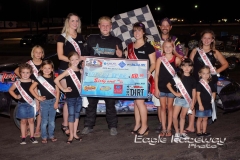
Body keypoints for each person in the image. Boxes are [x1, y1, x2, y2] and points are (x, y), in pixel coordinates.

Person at [81, 16, 123, 136]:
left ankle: (113, 126)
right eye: (102, 25)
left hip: (110, 79)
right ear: (99, 26)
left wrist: (121, 55)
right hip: (94, 78)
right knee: (91, 103)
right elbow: (84, 56)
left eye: (107, 25)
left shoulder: (117, 41)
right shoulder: (91, 39)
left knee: (110, 104)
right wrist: (83, 63)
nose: (105, 27)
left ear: (111, 26)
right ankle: (88, 125)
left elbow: (123, 63)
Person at [185, 29, 229, 133]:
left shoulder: (215, 52)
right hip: (196, 81)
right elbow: (189, 65)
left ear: (213, 40)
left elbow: (226, 64)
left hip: (209, 82)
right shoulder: (195, 50)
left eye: (209, 38)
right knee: (194, 102)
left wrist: (216, 71)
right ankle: (192, 125)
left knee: (206, 102)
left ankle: (203, 125)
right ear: (201, 39)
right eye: (204, 37)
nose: (206, 40)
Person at [151, 17, 185, 132]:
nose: (165, 27)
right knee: (159, 105)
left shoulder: (175, 40)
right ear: (159, 27)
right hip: (158, 71)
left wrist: (173, 50)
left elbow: (182, 57)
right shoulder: (153, 40)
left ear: (170, 27)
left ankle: (169, 127)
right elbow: (148, 54)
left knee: (170, 106)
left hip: (172, 73)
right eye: (163, 25)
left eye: (167, 25)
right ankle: (162, 125)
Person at [57, 13, 85, 136]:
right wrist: (73, 61)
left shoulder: (80, 37)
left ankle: (72, 125)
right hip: (65, 70)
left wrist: (80, 63)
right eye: (72, 21)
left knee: (75, 99)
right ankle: (65, 124)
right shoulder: (61, 37)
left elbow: (82, 54)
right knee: (69, 99)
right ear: (68, 22)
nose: (75, 23)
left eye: (77, 21)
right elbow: (60, 56)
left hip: (77, 71)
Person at [126, 22, 156, 136]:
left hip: (143, 78)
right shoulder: (129, 46)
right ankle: (137, 124)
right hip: (132, 78)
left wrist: (149, 71)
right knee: (136, 102)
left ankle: (145, 126)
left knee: (140, 101)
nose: (137, 33)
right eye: (135, 30)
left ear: (143, 32)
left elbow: (153, 63)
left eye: (139, 30)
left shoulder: (148, 46)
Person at [14, 45, 44, 138]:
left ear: (42, 54)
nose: (38, 54)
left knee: (39, 110)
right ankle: (26, 128)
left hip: (42, 89)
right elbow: (16, 71)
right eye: (36, 52)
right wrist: (24, 78)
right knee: (26, 108)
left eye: (40, 52)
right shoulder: (28, 64)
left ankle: (37, 128)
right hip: (29, 90)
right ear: (32, 53)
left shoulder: (45, 63)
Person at [54, 51, 83, 144]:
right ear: (69, 61)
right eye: (72, 59)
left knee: (77, 115)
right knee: (71, 116)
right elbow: (56, 80)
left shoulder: (80, 71)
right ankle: (70, 135)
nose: (75, 61)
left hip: (79, 97)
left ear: (79, 59)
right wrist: (63, 89)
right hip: (71, 97)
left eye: (76, 59)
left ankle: (75, 134)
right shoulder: (68, 71)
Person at [154, 39, 181, 137]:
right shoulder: (160, 59)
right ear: (163, 48)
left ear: (173, 48)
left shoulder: (177, 59)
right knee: (162, 108)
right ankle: (163, 128)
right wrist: (156, 88)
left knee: (170, 108)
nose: (168, 48)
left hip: (171, 88)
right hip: (161, 87)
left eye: (170, 46)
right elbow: (156, 75)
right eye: (166, 47)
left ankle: (169, 128)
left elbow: (182, 72)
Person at [29, 60, 60, 144]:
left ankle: (51, 135)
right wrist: (38, 97)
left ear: (52, 69)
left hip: (53, 101)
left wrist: (57, 102)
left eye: (49, 68)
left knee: (52, 121)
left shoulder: (55, 78)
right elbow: (31, 89)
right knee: (44, 121)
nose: (47, 70)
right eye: (45, 68)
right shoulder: (39, 79)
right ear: (42, 68)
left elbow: (57, 91)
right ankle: (44, 136)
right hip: (44, 102)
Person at [166, 58, 196, 141]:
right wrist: (175, 93)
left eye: (189, 66)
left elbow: (194, 91)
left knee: (182, 117)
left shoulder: (193, 79)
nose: (187, 68)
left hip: (187, 101)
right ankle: (177, 132)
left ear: (191, 68)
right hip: (179, 100)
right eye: (185, 66)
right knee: (175, 116)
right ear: (181, 67)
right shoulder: (178, 77)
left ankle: (182, 132)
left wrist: (193, 102)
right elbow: (168, 85)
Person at [9, 63, 39, 144]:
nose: (25, 74)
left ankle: (32, 137)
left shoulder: (33, 82)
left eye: (27, 73)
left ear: (30, 73)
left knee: (31, 121)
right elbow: (10, 90)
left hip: (31, 104)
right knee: (23, 121)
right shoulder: (18, 82)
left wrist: (37, 104)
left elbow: (36, 94)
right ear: (20, 73)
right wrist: (15, 96)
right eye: (23, 72)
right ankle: (23, 137)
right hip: (22, 104)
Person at [195, 65, 217, 137]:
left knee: (205, 119)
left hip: (208, 104)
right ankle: (198, 132)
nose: (206, 75)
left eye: (207, 73)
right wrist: (200, 105)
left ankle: (204, 131)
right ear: (200, 74)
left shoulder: (210, 83)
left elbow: (214, 91)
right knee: (200, 119)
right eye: (204, 73)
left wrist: (213, 99)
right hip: (201, 104)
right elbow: (197, 95)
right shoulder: (199, 84)